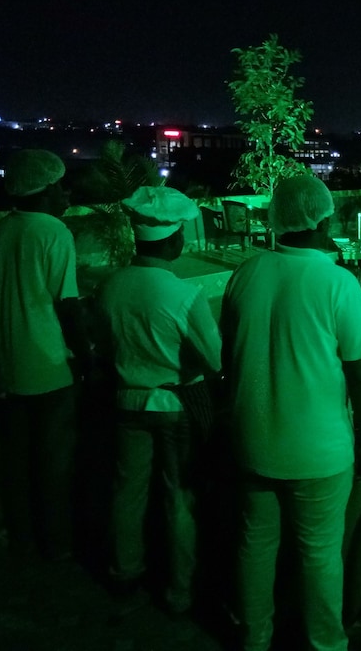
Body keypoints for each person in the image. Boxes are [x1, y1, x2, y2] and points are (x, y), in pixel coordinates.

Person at [221, 175, 361, 651]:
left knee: (255, 543)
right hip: (318, 450)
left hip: (252, 440)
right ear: (324, 220)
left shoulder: (246, 273)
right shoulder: (338, 283)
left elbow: (231, 359)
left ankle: (254, 637)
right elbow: (360, 375)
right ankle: (325, 643)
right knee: (320, 553)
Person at [94, 186, 222, 614]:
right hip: (173, 407)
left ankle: (123, 572)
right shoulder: (184, 294)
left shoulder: (111, 286)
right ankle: (180, 590)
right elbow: (216, 360)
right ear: (172, 240)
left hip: (126, 402)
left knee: (127, 491)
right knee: (178, 497)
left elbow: (104, 348)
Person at [0, 148, 88, 561]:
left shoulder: (5, 228)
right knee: (54, 462)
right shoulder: (52, 231)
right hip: (48, 366)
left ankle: (23, 539)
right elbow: (67, 304)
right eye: (61, 187)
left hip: (10, 364)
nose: (67, 194)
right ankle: (57, 544)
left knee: (16, 460)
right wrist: (85, 356)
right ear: (45, 190)